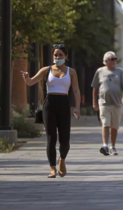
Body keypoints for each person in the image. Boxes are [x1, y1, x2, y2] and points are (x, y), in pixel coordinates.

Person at [21, 44, 81, 178]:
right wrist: (26, 78)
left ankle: (62, 160)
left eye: (60, 55)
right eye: (55, 55)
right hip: (49, 105)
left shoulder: (71, 72)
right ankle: (52, 168)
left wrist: (77, 107)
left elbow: (76, 90)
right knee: (51, 138)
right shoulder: (46, 70)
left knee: (65, 139)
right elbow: (31, 82)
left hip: (64, 104)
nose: (57, 57)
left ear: (65, 56)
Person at [92, 51, 123, 156]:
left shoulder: (120, 72)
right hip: (104, 103)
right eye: (111, 59)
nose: (114, 61)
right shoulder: (100, 71)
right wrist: (94, 102)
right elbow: (95, 88)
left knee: (114, 126)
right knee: (105, 123)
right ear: (106, 61)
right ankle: (105, 145)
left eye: (115, 59)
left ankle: (113, 146)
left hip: (117, 103)